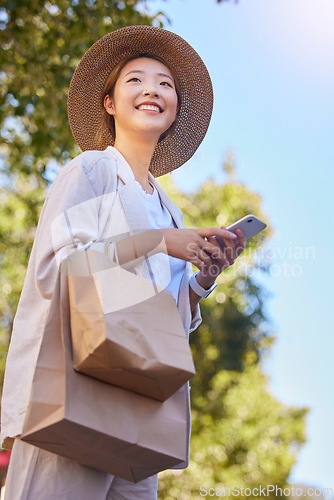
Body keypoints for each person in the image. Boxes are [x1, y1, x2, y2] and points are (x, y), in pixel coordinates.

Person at [0, 25, 247, 499]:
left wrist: (202, 280)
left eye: (165, 83)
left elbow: (161, 319)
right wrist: (157, 242)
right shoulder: (91, 171)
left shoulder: (169, 209)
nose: (152, 89)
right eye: (135, 79)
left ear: (174, 110)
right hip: (74, 393)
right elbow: (58, 269)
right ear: (109, 102)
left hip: (137, 411)